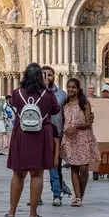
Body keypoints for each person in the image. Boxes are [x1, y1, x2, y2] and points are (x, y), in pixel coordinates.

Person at [4, 62, 60, 217]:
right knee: (37, 174)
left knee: (18, 173)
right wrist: (47, 88)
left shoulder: (16, 93)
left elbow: (14, 105)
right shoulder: (49, 95)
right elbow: (55, 110)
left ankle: (12, 212)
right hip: (41, 135)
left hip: (21, 135)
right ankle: (33, 213)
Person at [60, 77, 99, 206]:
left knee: (84, 168)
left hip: (83, 138)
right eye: (69, 87)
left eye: (73, 87)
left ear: (78, 89)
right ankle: (77, 197)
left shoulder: (84, 103)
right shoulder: (65, 104)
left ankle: (80, 194)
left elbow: (89, 122)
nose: (71, 89)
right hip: (70, 139)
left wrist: (75, 126)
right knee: (74, 167)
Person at [42, 66, 69, 206]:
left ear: (54, 76)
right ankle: (37, 195)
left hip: (56, 134)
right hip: (38, 134)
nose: (47, 77)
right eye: (44, 75)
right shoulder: (34, 94)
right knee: (36, 167)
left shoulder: (63, 95)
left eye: (50, 75)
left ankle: (56, 194)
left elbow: (68, 114)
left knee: (56, 166)